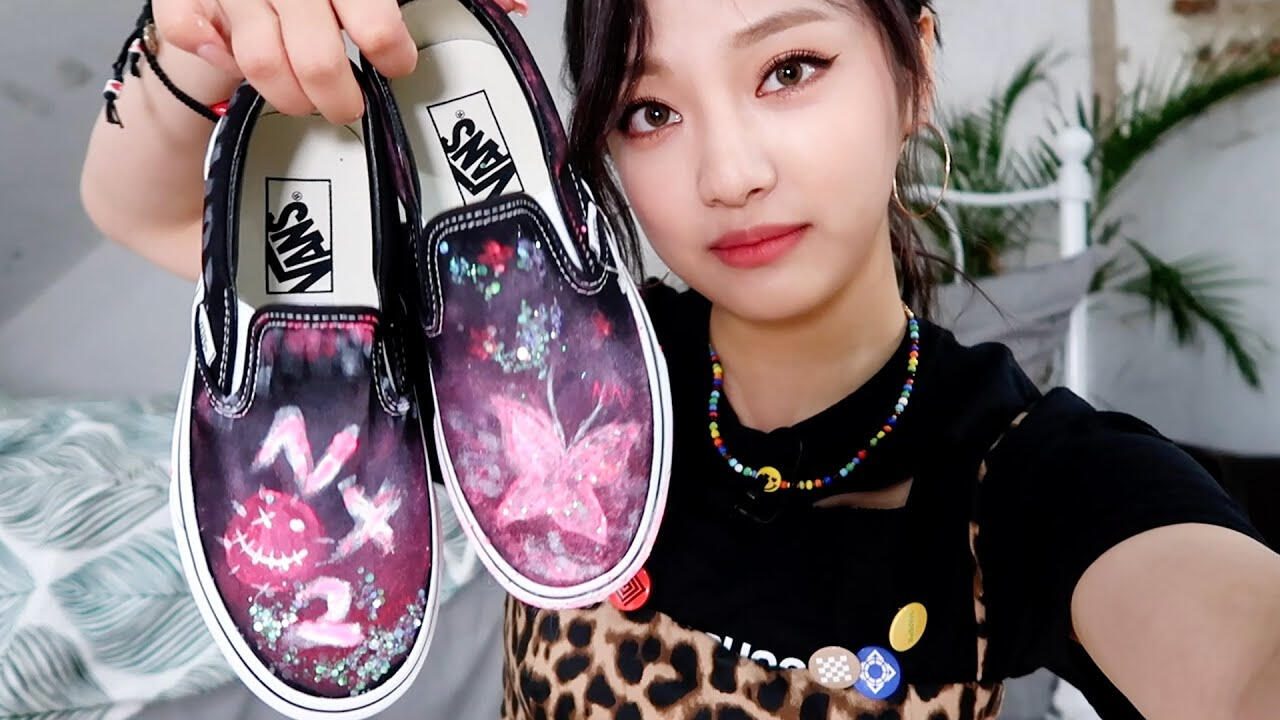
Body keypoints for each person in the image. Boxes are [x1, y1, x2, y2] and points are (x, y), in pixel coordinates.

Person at [81, 1, 1280, 718]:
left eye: (789, 69)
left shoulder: (1033, 478)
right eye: (648, 112)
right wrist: (193, 36)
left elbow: (1237, 658)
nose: (728, 173)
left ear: (912, 72)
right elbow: (139, 207)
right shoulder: (524, 359)